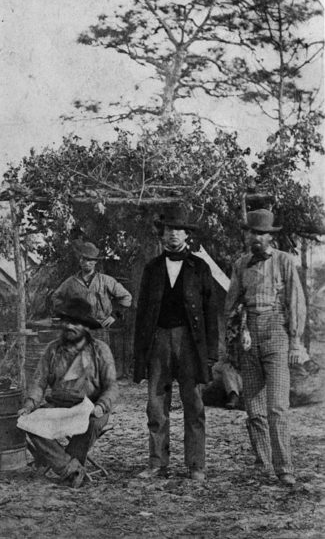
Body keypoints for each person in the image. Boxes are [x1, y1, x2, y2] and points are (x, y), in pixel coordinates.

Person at [134, 205, 218, 481]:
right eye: (169, 230)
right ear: (163, 235)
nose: (173, 235)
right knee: (156, 405)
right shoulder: (152, 269)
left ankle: (196, 465)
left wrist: (211, 353)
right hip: (158, 340)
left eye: (178, 230)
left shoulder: (200, 268)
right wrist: (140, 353)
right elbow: (143, 312)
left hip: (190, 343)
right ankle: (158, 463)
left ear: (186, 235)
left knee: (193, 404)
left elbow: (210, 313)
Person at [224, 209, 306, 487]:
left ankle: (284, 467)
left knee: (278, 407)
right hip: (249, 336)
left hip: (276, 332)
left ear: (270, 236)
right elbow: (231, 303)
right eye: (252, 232)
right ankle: (262, 464)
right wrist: (235, 334)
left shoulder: (285, 261)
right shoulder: (240, 264)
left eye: (261, 233)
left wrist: (295, 341)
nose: (256, 238)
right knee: (254, 409)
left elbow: (296, 303)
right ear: (247, 235)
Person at [17, 297, 118, 488]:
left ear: (86, 326)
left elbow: (112, 386)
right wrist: (29, 404)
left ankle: (63, 464)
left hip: (89, 407)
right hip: (58, 406)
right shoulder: (52, 350)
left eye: (75, 322)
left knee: (92, 423)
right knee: (27, 423)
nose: (69, 326)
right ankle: (70, 469)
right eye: (66, 321)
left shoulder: (100, 350)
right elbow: (39, 383)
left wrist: (101, 406)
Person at [52, 241, 132, 340]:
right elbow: (56, 297)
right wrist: (69, 314)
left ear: (95, 262)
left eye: (90, 260)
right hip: (80, 330)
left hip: (102, 328)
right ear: (79, 261)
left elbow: (126, 297)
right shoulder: (70, 283)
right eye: (83, 259)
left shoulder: (106, 280)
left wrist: (114, 315)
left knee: (101, 352)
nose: (86, 263)